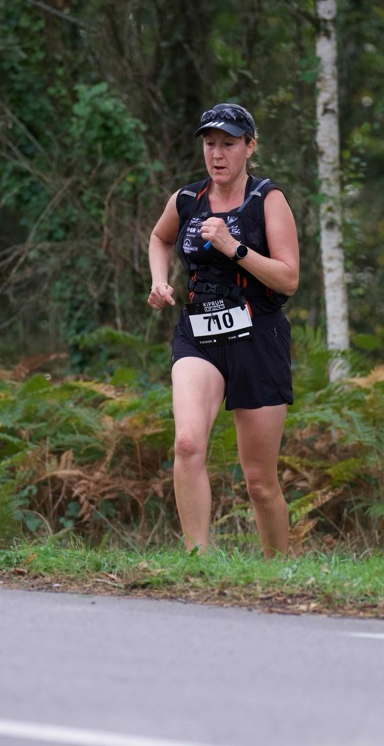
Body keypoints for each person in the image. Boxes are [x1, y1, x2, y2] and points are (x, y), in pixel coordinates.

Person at [146, 102, 300, 557]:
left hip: (258, 337)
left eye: (229, 144)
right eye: (210, 144)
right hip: (198, 335)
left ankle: (278, 570)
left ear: (249, 147)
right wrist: (158, 280)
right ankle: (199, 562)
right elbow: (160, 237)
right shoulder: (186, 199)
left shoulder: (268, 199)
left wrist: (234, 247)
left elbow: (289, 279)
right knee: (188, 443)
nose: (217, 154)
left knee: (259, 482)